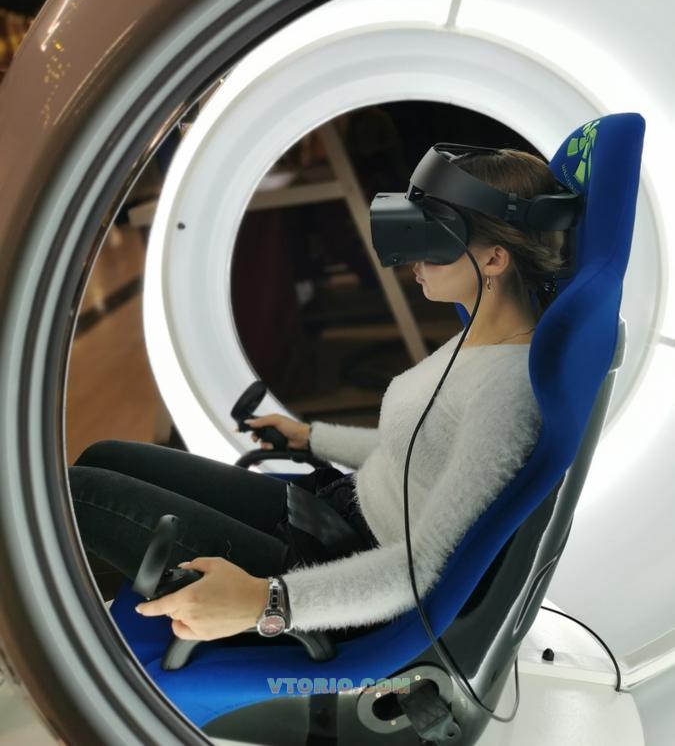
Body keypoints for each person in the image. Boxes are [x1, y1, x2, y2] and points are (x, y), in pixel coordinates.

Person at [68, 147, 567, 642]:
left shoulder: (507, 393)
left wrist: (266, 601)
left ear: (494, 258)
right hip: (329, 510)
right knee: (104, 457)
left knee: (77, 494)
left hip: (334, 573)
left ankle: (75, 641)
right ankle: (91, 624)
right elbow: (414, 455)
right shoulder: (479, 337)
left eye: (434, 240)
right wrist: (310, 437)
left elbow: (419, 572)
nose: (412, 258)